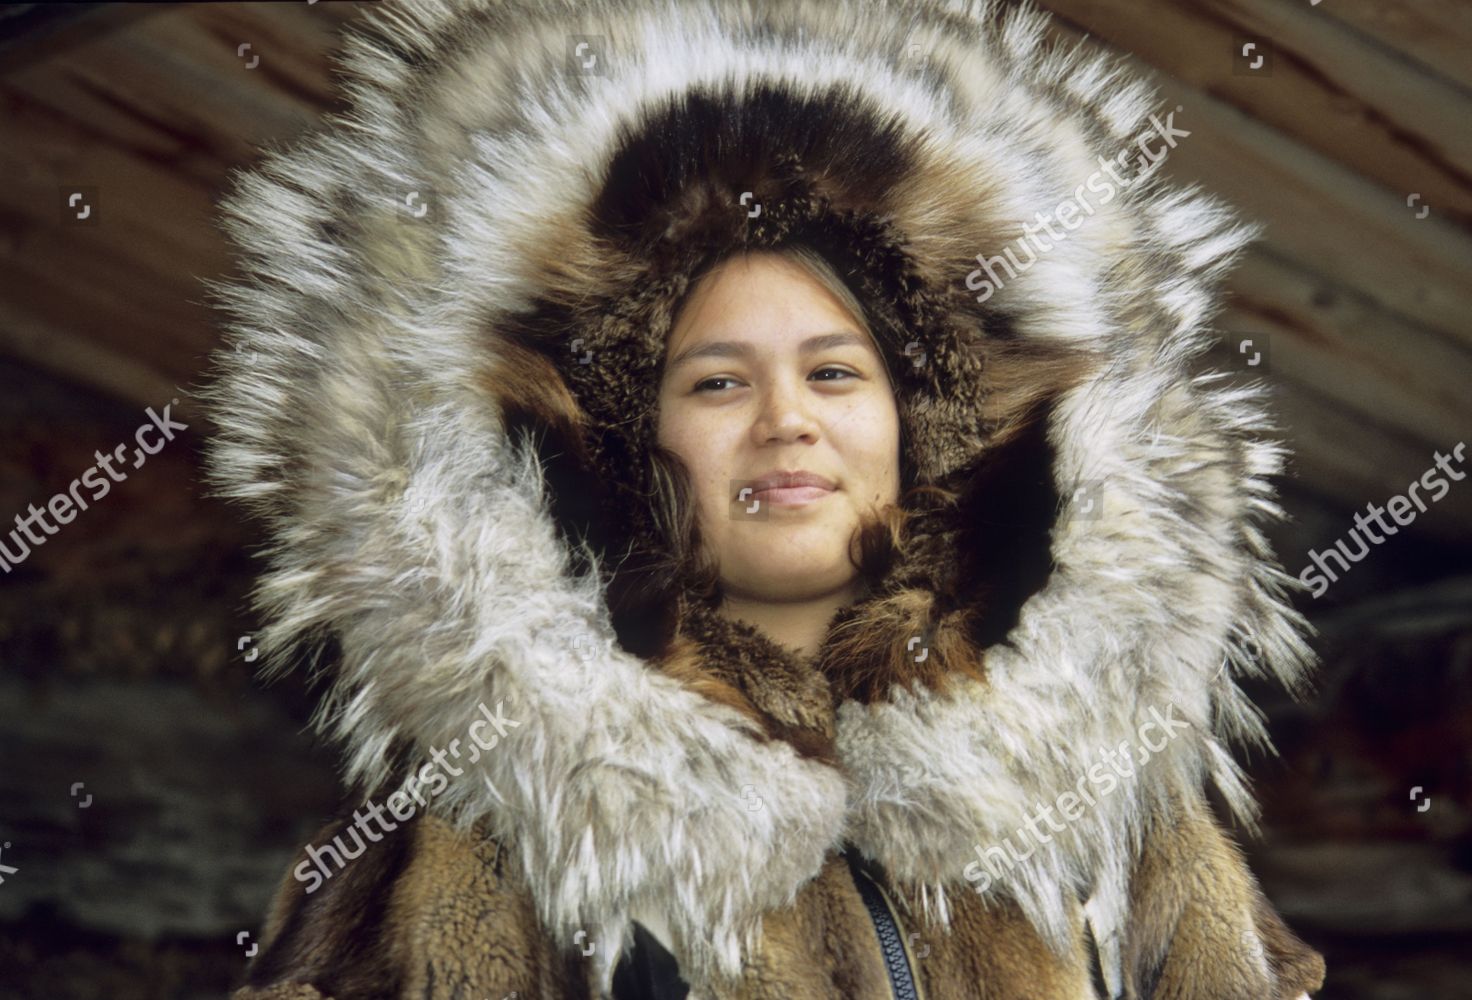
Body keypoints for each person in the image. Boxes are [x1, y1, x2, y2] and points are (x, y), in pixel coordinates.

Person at [204, 1, 1327, 997]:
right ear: (629, 441)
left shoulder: (1123, 823)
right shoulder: (473, 829)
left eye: (835, 372)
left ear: (922, 418)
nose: (785, 418)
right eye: (718, 380)